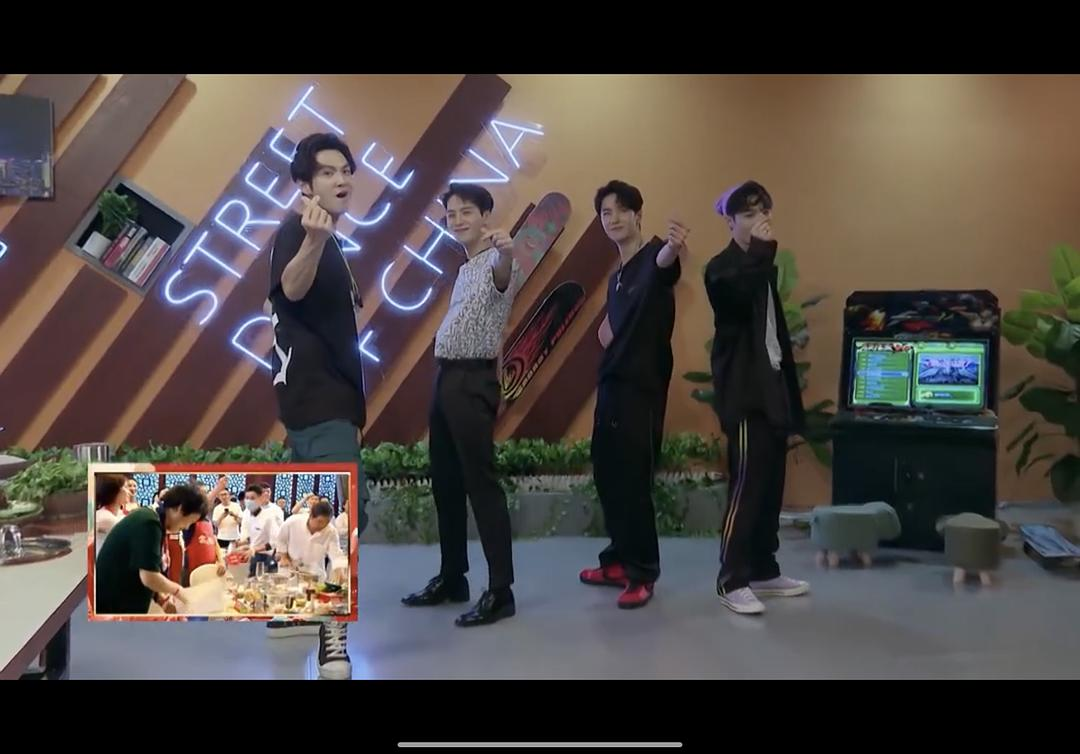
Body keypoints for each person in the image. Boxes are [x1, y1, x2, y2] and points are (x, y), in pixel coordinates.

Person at [267, 132, 373, 676]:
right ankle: (334, 635)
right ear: (304, 184)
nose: (342, 179)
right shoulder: (300, 232)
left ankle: (301, 604)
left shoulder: (328, 238)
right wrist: (312, 241)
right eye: (328, 172)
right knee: (340, 519)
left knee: (316, 512)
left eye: (346, 170)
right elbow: (291, 287)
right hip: (319, 401)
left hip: (316, 402)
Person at [401, 182, 523, 628]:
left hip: (472, 380)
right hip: (446, 379)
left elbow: (505, 276)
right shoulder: (466, 266)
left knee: (481, 484)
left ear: (485, 215)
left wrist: (507, 252)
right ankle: (453, 576)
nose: (457, 220)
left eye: (466, 211)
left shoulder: (497, 260)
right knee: (446, 483)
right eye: (451, 214)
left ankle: (501, 591)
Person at [578, 180, 686, 609]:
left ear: (638, 215)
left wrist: (673, 248)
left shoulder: (654, 255)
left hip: (641, 389)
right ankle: (619, 560)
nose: (614, 218)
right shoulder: (617, 277)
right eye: (606, 212)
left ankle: (643, 571)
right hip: (612, 385)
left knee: (634, 481)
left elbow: (664, 267)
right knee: (608, 474)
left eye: (622, 210)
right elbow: (610, 329)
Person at [705, 180, 809, 615]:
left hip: (771, 386)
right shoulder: (721, 268)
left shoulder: (761, 265)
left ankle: (764, 569)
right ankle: (731, 579)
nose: (759, 221)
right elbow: (738, 297)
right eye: (748, 214)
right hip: (744, 393)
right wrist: (763, 253)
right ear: (730, 222)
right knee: (747, 486)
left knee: (770, 486)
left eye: (762, 212)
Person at [94, 484, 202, 615]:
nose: (187, 527)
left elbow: (144, 565)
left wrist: (161, 598)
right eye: (189, 521)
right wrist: (179, 591)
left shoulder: (153, 519)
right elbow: (149, 576)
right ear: (180, 509)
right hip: (113, 605)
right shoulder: (149, 522)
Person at [94, 473, 129, 554]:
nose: (128, 491)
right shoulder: (105, 517)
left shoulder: (119, 514)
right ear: (114, 491)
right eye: (125, 487)